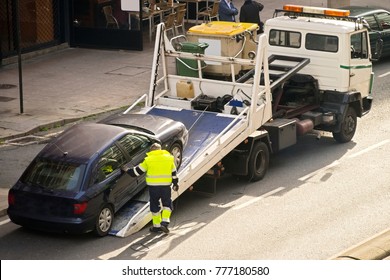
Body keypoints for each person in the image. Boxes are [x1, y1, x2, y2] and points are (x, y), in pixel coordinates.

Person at [121, 143, 179, 234]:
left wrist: (127, 170)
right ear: (160, 150)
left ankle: (156, 227)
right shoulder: (169, 158)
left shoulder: (148, 160)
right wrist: (175, 184)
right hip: (165, 187)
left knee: (155, 205)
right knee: (167, 204)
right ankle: (165, 222)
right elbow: (174, 173)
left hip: (153, 188)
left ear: (151, 150)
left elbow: (136, 172)